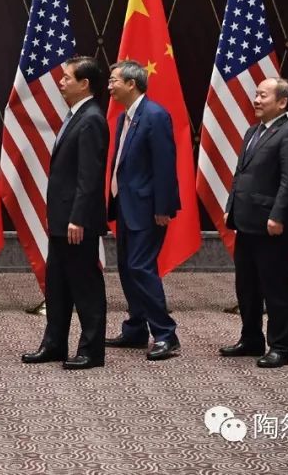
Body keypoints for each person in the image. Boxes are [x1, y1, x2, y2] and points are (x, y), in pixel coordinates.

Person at [22, 56, 109, 369]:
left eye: (67, 77)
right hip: (62, 220)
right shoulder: (76, 115)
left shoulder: (92, 118)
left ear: (84, 84)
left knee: (85, 287)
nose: (60, 82)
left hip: (77, 222)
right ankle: (54, 344)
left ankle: (91, 351)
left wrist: (78, 217)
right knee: (57, 285)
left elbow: (89, 176)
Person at [220, 78, 288, 368]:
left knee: (276, 287)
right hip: (246, 221)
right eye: (256, 94)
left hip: (272, 224)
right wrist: (230, 207)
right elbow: (240, 174)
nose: (256, 100)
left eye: (263, 95)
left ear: (282, 102)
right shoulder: (252, 131)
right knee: (247, 285)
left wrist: (278, 215)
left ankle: (280, 346)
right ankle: (251, 338)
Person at [105, 60, 181, 361]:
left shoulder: (155, 115)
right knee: (127, 268)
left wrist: (163, 207)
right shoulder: (125, 117)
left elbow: (165, 164)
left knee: (140, 267)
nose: (110, 87)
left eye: (114, 81)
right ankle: (136, 328)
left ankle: (166, 334)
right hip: (126, 205)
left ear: (131, 84)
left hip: (148, 209)